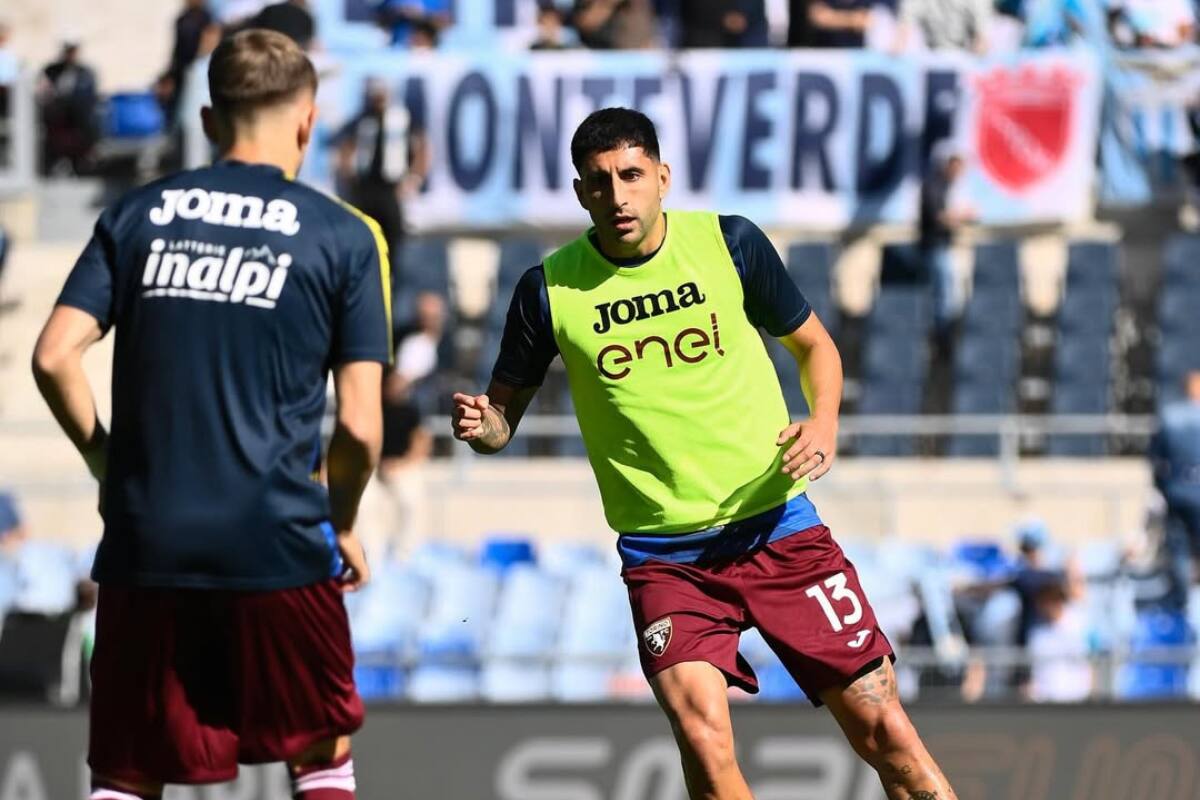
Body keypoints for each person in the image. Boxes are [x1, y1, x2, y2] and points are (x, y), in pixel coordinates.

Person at [452, 107, 958, 800]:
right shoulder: (548, 290)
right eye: (599, 183)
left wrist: (825, 421)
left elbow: (816, 347)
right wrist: (485, 427)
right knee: (703, 741)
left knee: (885, 732)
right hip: (667, 560)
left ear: (662, 177)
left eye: (632, 175)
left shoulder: (731, 244)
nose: (618, 195)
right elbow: (502, 420)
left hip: (777, 527)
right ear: (580, 194)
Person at [31, 29, 391, 800]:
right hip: (279, 538)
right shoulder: (343, 236)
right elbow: (360, 428)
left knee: (127, 773)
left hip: (145, 536)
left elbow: (54, 355)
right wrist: (346, 522)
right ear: (308, 121)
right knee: (319, 753)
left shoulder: (138, 214)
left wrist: (107, 463)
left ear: (205, 120)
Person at [334, 78, 429, 292]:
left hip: (390, 189)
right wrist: (348, 172)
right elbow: (345, 144)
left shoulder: (401, 119)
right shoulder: (362, 119)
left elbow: (422, 145)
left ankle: (391, 282)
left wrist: (414, 178)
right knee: (362, 235)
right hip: (365, 188)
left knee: (394, 240)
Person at [1150, 370, 1200, 612]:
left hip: (1177, 490)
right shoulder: (1172, 416)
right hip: (1186, 492)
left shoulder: (1169, 416)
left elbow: (1155, 461)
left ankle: (1184, 601)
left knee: (1179, 549)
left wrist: (1164, 488)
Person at [919, 146, 974, 335]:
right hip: (934, 247)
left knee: (949, 292)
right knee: (942, 294)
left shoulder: (946, 187)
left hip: (943, 246)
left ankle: (945, 332)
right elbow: (938, 216)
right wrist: (961, 216)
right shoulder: (933, 185)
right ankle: (941, 335)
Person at [37, 39, 98, 175]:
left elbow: (88, 99)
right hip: (55, 123)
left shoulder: (85, 73)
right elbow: (43, 91)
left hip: (77, 125)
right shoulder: (51, 70)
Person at [157, 0, 216, 125]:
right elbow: (177, 51)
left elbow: (209, 42)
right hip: (182, 72)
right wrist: (170, 75)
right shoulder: (182, 19)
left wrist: (198, 61)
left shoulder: (207, 17)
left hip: (199, 72)